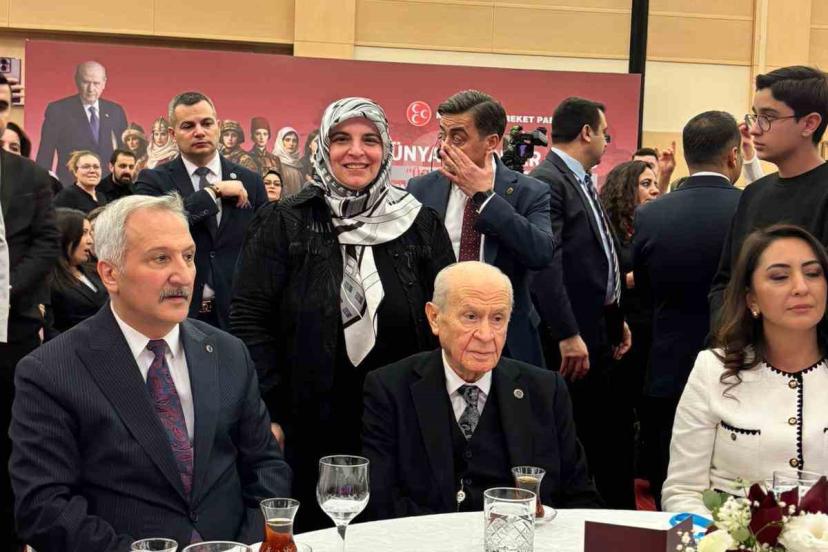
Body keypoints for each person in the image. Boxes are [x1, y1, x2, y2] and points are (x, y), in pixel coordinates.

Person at [10, 194, 292, 551]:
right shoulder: (52, 371)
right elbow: (45, 508)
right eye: (160, 258)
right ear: (110, 274)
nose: (183, 275)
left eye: (188, 256)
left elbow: (266, 466)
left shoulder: (228, 352)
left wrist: (245, 544)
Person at [230, 97, 454, 530]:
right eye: (341, 139)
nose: (356, 151)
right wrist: (268, 413)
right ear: (322, 148)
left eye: (370, 139)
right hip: (306, 422)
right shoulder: (283, 221)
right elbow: (250, 321)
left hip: (402, 422)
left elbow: (442, 318)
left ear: (386, 149)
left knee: (395, 530)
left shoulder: (421, 225)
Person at [363, 261, 602, 519]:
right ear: (434, 318)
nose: (486, 335)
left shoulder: (546, 391)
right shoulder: (390, 389)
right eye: (471, 317)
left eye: (497, 319)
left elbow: (581, 499)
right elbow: (380, 502)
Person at [662, 224, 828, 515]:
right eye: (780, 276)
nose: (801, 287)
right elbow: (683, 492)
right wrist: (719, 536)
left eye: (813, 273)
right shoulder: (713, 369)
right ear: (751, 299)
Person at [632, 111, 743, 508]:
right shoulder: (750, 208)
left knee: (668, 479)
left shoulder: (650, 213)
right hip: (737, 364)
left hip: (667, 364)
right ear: (733, 155)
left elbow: (643, 290)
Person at [530, 96, 634, 509]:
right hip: (572, 337)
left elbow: (599, 257)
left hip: (599, 327)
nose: (608, 140)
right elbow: (546, 265)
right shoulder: (549, 181)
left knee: (608, 435)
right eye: (605, 132)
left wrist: (616, 318)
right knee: (582, 439)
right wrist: (567, 333)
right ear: (587, 132)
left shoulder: (582, 180)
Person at [407, 90, 554, 368]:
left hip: (507, 342)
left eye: (457, 138)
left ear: (492, 142)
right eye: (443, 135)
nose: (444, 147)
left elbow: (540, 253)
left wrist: (485, 199)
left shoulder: (530, 192)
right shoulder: (421, 188)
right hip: (437, 339)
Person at [134, 91, 266, 330]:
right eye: (188, 126)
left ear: (218, 126)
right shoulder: (153, 180)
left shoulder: (251, 181)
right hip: (178, 313)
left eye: (206, 123)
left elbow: (264, 247)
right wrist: (213, 192)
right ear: (173, 134)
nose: (199, 132)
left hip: (239, 315)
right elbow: (153, 231)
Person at [709, 66, 828, 322]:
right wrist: (730, 334)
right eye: (755, 116)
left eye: (768, 117)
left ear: (809, 123)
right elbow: (726, 281)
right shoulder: (753, 194)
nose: (754, 129)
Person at [0, 73, 60, 550]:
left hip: (11, 327)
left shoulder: (30, 176)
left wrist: (7, 288)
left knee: (10, 439)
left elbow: (46, 242)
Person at [597, 159, 659, 499]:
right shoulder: (609, 229)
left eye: (655, 183)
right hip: (620, 336)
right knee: (617, 421)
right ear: (625, 189)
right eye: (646, 184)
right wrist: (633, 279)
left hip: (649, 335)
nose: (655, 190)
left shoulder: (649, 226)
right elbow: (606, 277)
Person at [35, 60, 128, 186]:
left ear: (104, 83)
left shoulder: (115, 111)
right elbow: (45, 154)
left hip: (107, 187)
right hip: (70, 185)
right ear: (77, 80)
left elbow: (125, 152)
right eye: (86, 82)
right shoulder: (58, 110)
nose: (91, 89)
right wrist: (44, 186)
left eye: (96, 83)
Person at [47, 208, 106, 333]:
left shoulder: (93, 269)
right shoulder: (48, 281)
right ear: (65, 235)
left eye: (90, 233)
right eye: (84, 233)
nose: (90, 241)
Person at [272, 126, 305, 197]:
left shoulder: (299, 164)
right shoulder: (274, 162)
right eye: (287, 140)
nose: (291, 143)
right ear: (280, 141)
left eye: (294, 141)